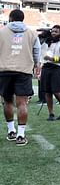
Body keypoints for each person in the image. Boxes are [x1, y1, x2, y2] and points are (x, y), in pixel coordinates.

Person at [0, 9, 41, 146]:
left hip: (5, 69)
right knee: (22, 103)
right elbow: (37, 52)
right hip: (24, 70)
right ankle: (21, 135)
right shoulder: (32, 33)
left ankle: (11, 131)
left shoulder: (2, 31)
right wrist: (37, 65)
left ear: (10, 18)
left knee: (7, 101)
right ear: (22, 19)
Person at [39, 25, 60, 121]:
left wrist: (52, 59)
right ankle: (51, 113)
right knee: (47, 91)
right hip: (47, 67)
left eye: (56, 32)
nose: (53, 33)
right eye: (52, 31)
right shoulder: (49, 41)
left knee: (56, 91)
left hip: (58, 68)